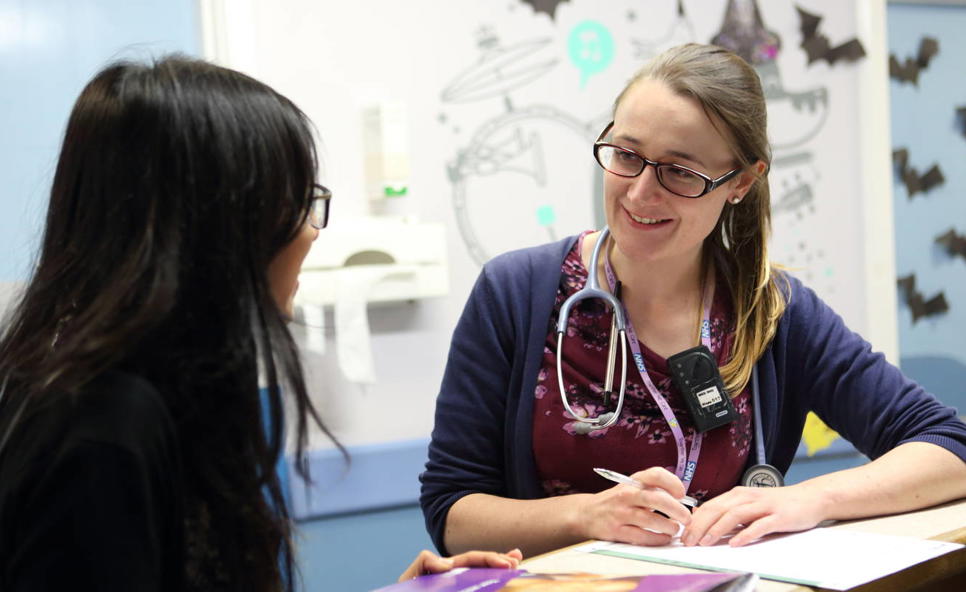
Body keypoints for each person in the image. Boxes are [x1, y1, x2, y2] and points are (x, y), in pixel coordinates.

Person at [420, 43, 966, 557]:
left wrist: (808, 499)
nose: (638, 193)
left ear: (741, 183)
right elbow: (453, 512)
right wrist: (587, 516)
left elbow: (949, 446)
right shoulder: (517, 293)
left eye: (680, 172)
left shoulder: (772, 311)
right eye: (626, 155)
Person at [0, 56, 519, 591]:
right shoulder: (101, 428)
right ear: (215, 225)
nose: (311, 232)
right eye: (296, 202)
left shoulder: (171, 394)